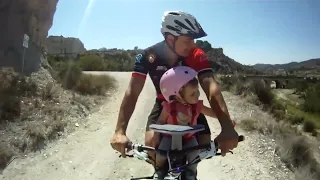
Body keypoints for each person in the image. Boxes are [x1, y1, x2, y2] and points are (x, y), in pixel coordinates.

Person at [110, 10, 239, 161]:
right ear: (170, 39)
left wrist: (227, 126)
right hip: (163, 103)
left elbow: (211, 86)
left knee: (202, 147)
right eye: (188, 40)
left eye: (194, 40)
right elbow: (133, 92)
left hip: (190, 104)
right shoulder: (148, 56)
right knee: (152, 147)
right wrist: (120, 131)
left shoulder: (196, 54)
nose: (193, 45)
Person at [154, 66, 218, 179]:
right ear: (177, 95)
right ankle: (159, 170)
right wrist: (156, 136)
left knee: (195, 155)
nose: (197, 95)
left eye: (197, 91)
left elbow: (212, 113)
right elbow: (160, 121)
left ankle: (190, 172)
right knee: (161, 154)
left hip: (189, 138)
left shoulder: (197, 106)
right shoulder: (169, 107)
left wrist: (225, 119)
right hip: (170, 138)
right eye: (192, 94)